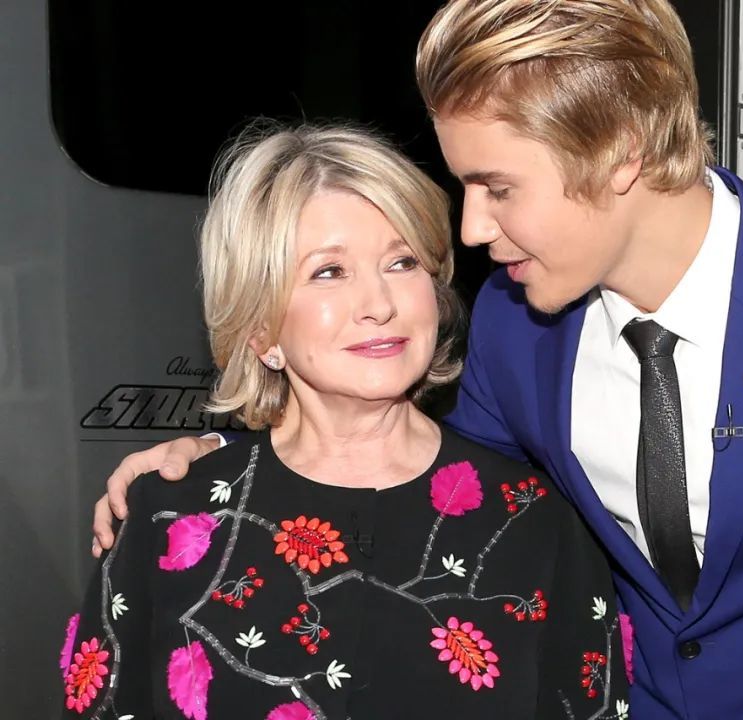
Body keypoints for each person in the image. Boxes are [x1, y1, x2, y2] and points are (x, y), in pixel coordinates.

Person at [91, 1, 743, 717]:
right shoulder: (519, 327)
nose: (470, 231)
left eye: (497, 187)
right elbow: (431, 486)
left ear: (618, 153)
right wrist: (218, 465)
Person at [63, 123, 628, 719]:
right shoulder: (169, 516)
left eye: (402, 262)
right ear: (260, 328)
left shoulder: (533, 521)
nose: (379, 304)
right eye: (329, 272)